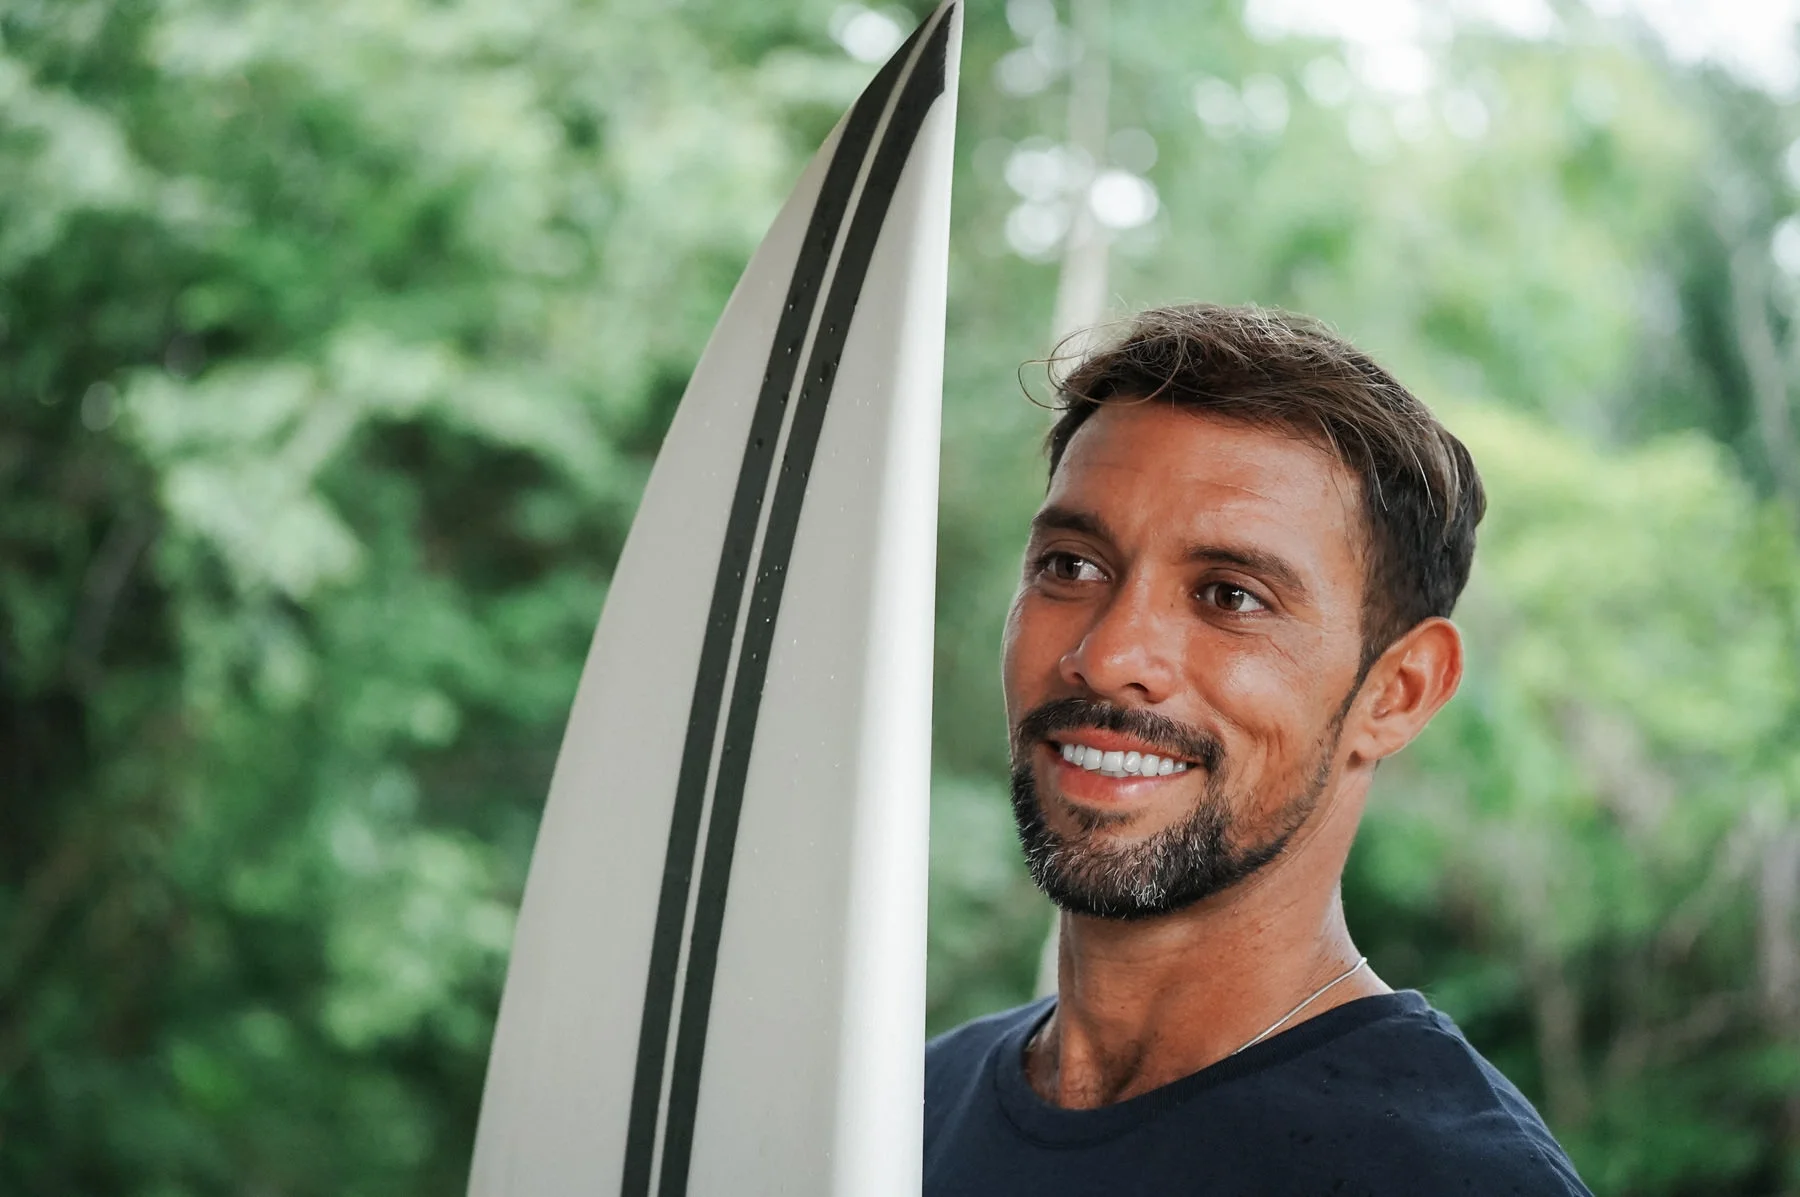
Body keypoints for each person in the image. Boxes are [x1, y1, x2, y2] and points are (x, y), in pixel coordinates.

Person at [923, 304, 1592, 1196]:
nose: (1110, 656)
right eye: (1072, 566)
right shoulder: (897, 1111)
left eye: (1231, 596)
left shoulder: (1455, 1178)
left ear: (1397, 693)